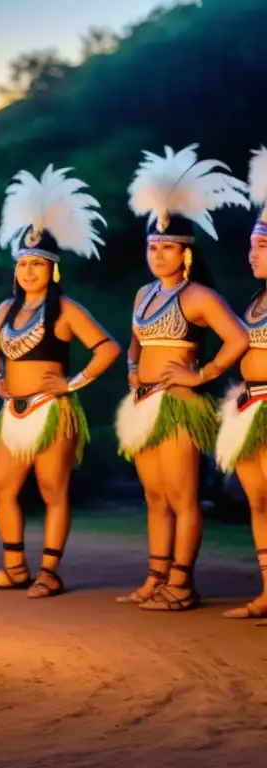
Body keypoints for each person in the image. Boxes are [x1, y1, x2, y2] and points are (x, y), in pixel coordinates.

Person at [116, 144, 249, 611]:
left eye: (167, 247)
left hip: (179, 404)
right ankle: (156, 577)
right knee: (154, 495)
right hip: (145, 402)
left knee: (182, 495)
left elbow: (240, 338)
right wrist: (133, 370)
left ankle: (182, 584)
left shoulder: (199, 297)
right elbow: (134, 340)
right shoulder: (143, 294)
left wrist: (204, 375)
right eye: (152, 246)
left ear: (186, 254)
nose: (157, 254)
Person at [0, 166, 120, 598]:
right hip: (13, 410)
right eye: (23, 264)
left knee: (51, 489)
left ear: (52, 269)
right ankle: (15, 567)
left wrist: (72, 384)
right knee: (0, 487)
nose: (28, 271)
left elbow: (108, 348)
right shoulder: (5, 309)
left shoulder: (66, 310)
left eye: (37, 265)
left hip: (50, 409)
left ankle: (50, 572)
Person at [216, 146, 267, 620]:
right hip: (250, 407)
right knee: (257, 499)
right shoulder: (253, 301)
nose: (252, 253)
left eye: (263, 245)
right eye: (252, 244)